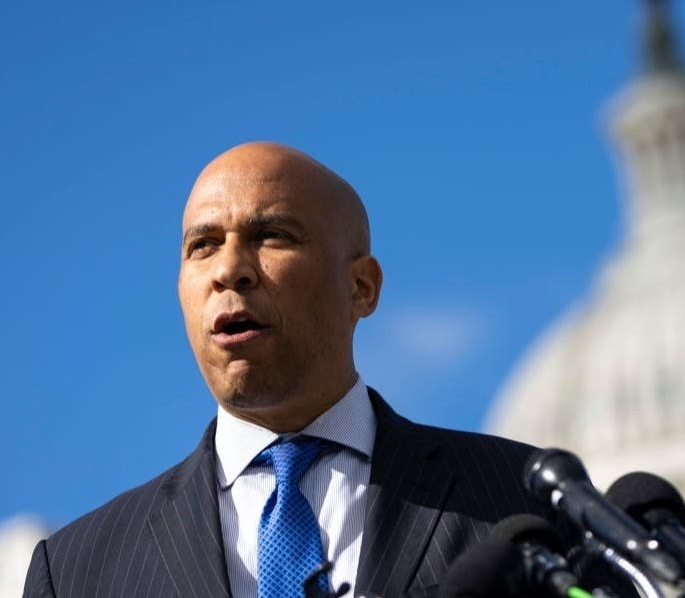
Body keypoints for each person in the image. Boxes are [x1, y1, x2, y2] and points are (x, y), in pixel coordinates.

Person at [22, 142, 559, 598]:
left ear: (361, 287)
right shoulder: (75, 571)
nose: (229, 270)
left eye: (271, 235)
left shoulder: (522, 500)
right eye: (202, 246)